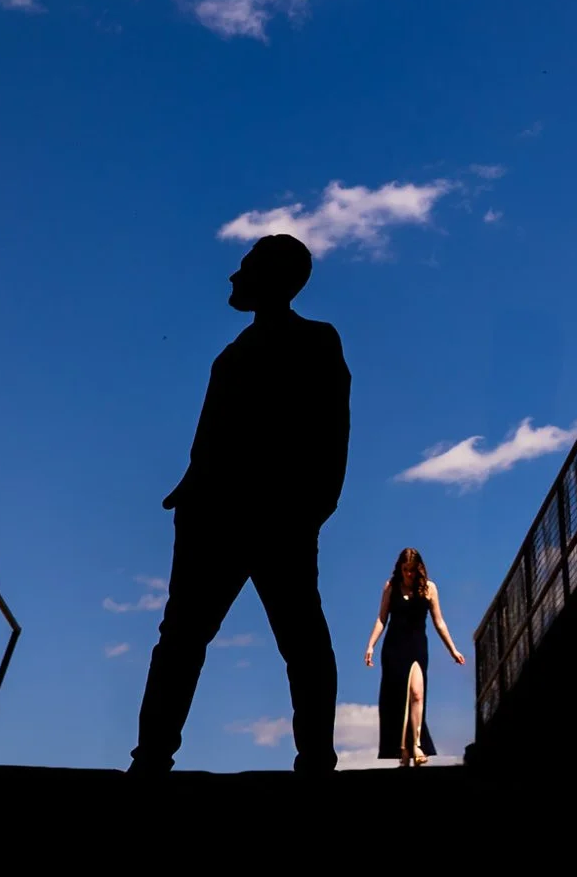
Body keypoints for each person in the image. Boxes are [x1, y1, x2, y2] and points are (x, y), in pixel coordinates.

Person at [130, 234, 351, 774]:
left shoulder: (313, 342)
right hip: (216, 516)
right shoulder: (232, 357)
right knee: (186, 637)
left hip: (275, 517)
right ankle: (153, 755)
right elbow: (211, 441)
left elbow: (331, 431)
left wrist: (312, 507)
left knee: (295, 638)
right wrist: (189, 491)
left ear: (273, 278)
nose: (233, 277)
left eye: (246, 267)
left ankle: (315, 757)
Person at [363, 547, 463, 766]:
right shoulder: (391, 587)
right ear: (400, 568)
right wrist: (371, 645)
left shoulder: (429, 588)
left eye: (412, 570)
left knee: (417, 694)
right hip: (393, 648)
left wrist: (452, 649)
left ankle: (416, 744)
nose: (409, 574)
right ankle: (404, 752)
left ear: (419, 569)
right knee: (399, 699)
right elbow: (381, 619)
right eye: (405, 570)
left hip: (417, 646)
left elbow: (439, 621)